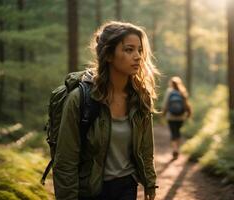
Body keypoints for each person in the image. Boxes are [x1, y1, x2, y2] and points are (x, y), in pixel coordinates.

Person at [53, 21, 159, 200]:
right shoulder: (80, 99)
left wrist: (149, 181)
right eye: (129, 50)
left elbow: (146, 147)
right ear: (109, 55)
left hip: (127, 187)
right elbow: (66, 161)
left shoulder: (140, 98)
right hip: (91, 190)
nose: (138, 56)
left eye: (140, 50)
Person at [162, 76, 192, 160]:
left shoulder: (169, 91)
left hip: (171, 116)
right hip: (180, 117)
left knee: (173, 132)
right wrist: (188, 113)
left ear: (171, 83)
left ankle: (175, 149)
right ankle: (177, 149)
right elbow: (186, 104)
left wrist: (163, 114)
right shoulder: (182, 91)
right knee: (178, 132)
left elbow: (166, 104)